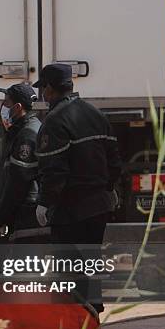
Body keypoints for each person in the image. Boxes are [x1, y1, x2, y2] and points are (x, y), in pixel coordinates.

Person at [32, 63, 122, 243]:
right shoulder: (96, 114)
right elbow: (114, 160)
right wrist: (109, 187)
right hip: (99, 208)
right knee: (91, 264)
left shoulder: (54, 121)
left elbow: (54, 171)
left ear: (49, 88)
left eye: (43, 87)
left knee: (69, 267)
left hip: (70, 212)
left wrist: (44, 202)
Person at [0, 83, 41, 241]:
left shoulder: (26, 135)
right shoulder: (21, 130)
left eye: (6, 102)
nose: (2, 106)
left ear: (17, 107)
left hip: (26, 217)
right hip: (22, 214)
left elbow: (19, 183)